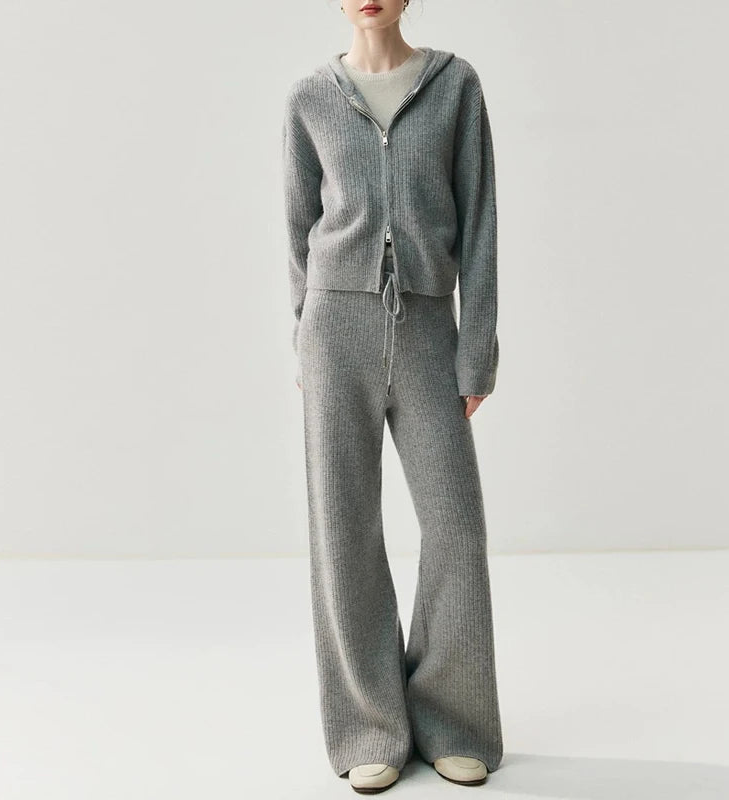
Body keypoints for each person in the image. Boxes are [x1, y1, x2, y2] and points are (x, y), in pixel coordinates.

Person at [281, 0, 503, 792]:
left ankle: (454, 720)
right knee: (344, 529)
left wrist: (477, 350)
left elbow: (480, 223)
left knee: (455, 526)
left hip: (429, 327)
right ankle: (369, 726)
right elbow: (298, 224)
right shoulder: (310, 97)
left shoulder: (454, 86)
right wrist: (304, 333)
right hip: (335, 327)